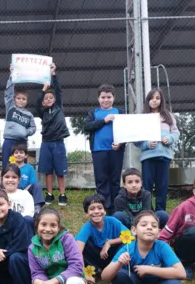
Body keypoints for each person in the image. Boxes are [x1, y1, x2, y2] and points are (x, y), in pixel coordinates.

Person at [102, 211, 187, 284]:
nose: (149, 228)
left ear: (158, 233)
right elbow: (105, 277)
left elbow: (181, 273)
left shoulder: (162, 247)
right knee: (120, 275)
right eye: (144, 225)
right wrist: (119, 263)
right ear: (134, 230)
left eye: (154, 226)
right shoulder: (128, 248)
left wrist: (149, 269)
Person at [134, 88, 179, 213]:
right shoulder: (142, 117)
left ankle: (161, 211)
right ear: (147, 101)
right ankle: (148, 211)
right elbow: (136, 139)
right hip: (148, 158)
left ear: (161, 100)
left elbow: (175, 132)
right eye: (152, 98)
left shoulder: (168, 115)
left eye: (157, 98)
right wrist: (147, 144)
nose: (154, 101)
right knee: (147, 186)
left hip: (164, 156)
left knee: (162, 186)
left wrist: (169, 138)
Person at [84, 84, 125, 213]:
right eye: (103, 97)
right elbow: (87, 126)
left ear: (114, 98)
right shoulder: (93, 113)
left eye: (109, 97)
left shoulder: (120, 112)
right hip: (98, 150)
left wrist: (120, 143)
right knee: (101, 179)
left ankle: (115, 206)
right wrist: (104, 121)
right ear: (98, 99)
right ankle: (104, 206)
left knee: (115, 179)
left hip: (115, 151)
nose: (106, 100)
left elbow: (126, 131)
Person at [36, 63, 70, 206]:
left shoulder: (58, 108)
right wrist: (43, 90)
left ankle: (62, 194)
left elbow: (59, 90)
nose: (48, 99)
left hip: (58, 143)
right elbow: (37, 104)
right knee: (47, 170)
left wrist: (53, 74)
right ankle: (49, 194)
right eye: (46, 98)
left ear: (55, 100)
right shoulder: (42, 112)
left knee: (60, 171)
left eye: (51, 97)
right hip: (46, 143)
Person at [75, 194, 126, 273]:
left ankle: (118, 269)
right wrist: (83, 274)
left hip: (114, 256)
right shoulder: (87, 228)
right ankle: (95, 270)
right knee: (79, 244)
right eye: (92, 209)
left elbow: (132, 237)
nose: (96, 211)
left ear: (105, 211)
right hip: (97, 257)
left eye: (100, 208)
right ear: (86, 213)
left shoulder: (112, 221)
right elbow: (77, 252)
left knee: (127, 244)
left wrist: (109, 242)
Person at [2, 63, 37, 168]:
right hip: (9, 140)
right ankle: (5, 183)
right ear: (14, 99)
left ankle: (22, 184)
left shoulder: (29, 115)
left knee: (22, 166)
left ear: (26, 101)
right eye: (18, 98)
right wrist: (11, 75)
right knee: (7, 164)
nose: (21, 101)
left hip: (22, 142)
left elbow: (33, 128)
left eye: (24, 99)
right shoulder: (11, 107)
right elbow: (9, 93)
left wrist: (26, 132)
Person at [11, 142, 45, 212]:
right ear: (13, 155)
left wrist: (24, 191)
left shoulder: (29, 168)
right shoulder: (11, 167)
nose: (19, 154)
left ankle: (36, 207)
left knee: (37, 185)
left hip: (27, 190)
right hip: (14, 190)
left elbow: (32, 182)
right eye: (16, 153)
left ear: (26, 155)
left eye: (21, 152)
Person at [1, 164, 35, 230]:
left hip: (21, 228)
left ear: (19, 179)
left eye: (14, 177)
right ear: (2, 179)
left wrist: (14, 221)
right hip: (3, 227)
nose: (10, 180)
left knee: (29, 220)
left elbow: (29, 213)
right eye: (7, 177)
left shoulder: (25, 195)